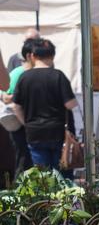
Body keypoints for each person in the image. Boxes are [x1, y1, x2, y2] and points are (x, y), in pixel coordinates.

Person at [12, 38, 78, 171]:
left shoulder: (24, 77)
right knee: (61, 173)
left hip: (34, 132)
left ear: (33, 56)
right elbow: (70, 104)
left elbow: (16, 106)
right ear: (53, 55)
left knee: (42, 176)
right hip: (58, 132)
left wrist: (26, 122)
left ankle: (43, 192)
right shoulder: (58, 76)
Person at [2, 38, 36, 175]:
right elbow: (6, 96)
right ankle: (18, 189)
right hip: (17, 122)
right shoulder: (18, 73)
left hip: (26, 121)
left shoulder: (31, 72)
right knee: (23, 157)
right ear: (29, 56)